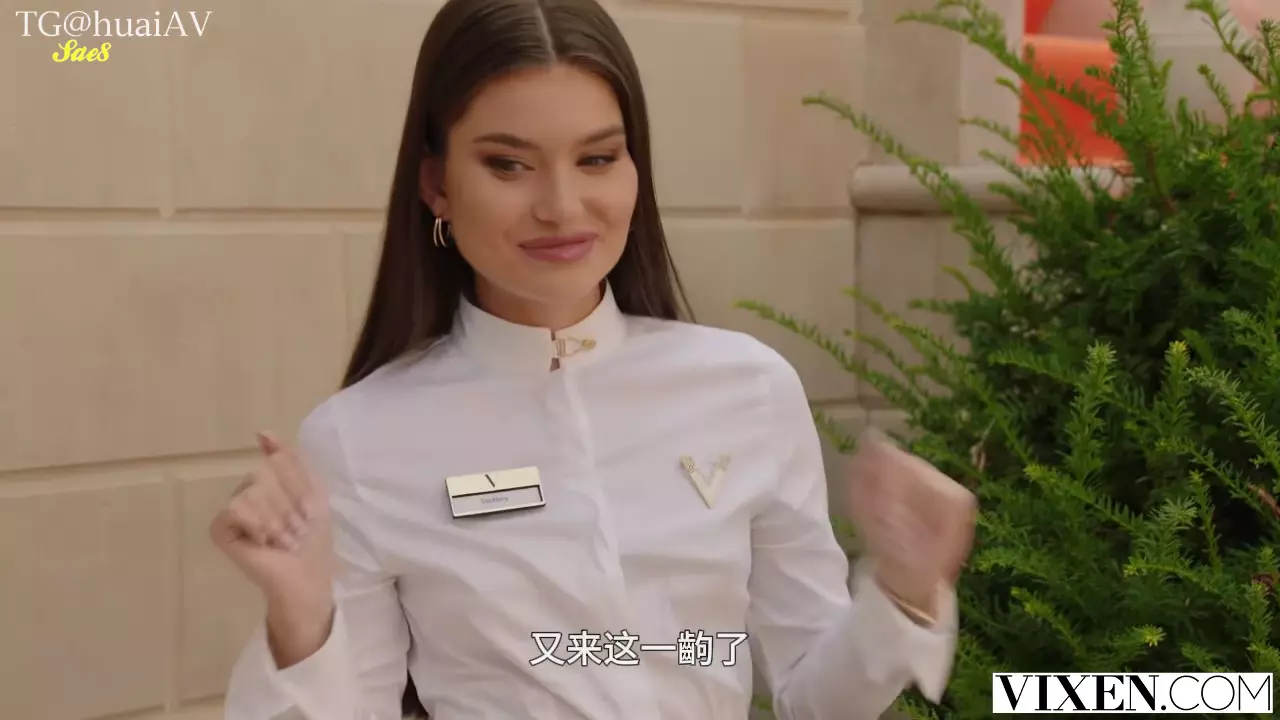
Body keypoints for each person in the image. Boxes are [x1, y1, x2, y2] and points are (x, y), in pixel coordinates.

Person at [209, 0, 978, 718]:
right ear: (437, 183)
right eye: (508, 165)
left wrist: (906, 591)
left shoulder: (749, 390)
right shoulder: (361, 439)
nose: (562, 207)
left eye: (598, 158)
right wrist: (300, 619)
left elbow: (814, 694)